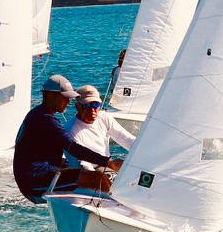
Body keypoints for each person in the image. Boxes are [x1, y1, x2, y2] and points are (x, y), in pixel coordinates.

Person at [12, 74, 119, 203]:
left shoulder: (38, 114)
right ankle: (118, 206)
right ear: (51, 96)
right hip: (35, 184)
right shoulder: (45, 120)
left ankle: (113, 203)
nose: (68, 102)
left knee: (96, 177)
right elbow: (73, 148)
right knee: (97, 178)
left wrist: (77, 171)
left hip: (42, 176)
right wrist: (106, 162)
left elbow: (57, 156)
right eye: (65, 98)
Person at [66, 85, 134, 167]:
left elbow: (128, 140)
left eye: (96, 104)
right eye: (87, 106)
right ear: (77, 106)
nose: (92, 110)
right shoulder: (69, 130)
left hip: (106, 166)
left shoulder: (104, 117)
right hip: (87, 171)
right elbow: (83, 166)